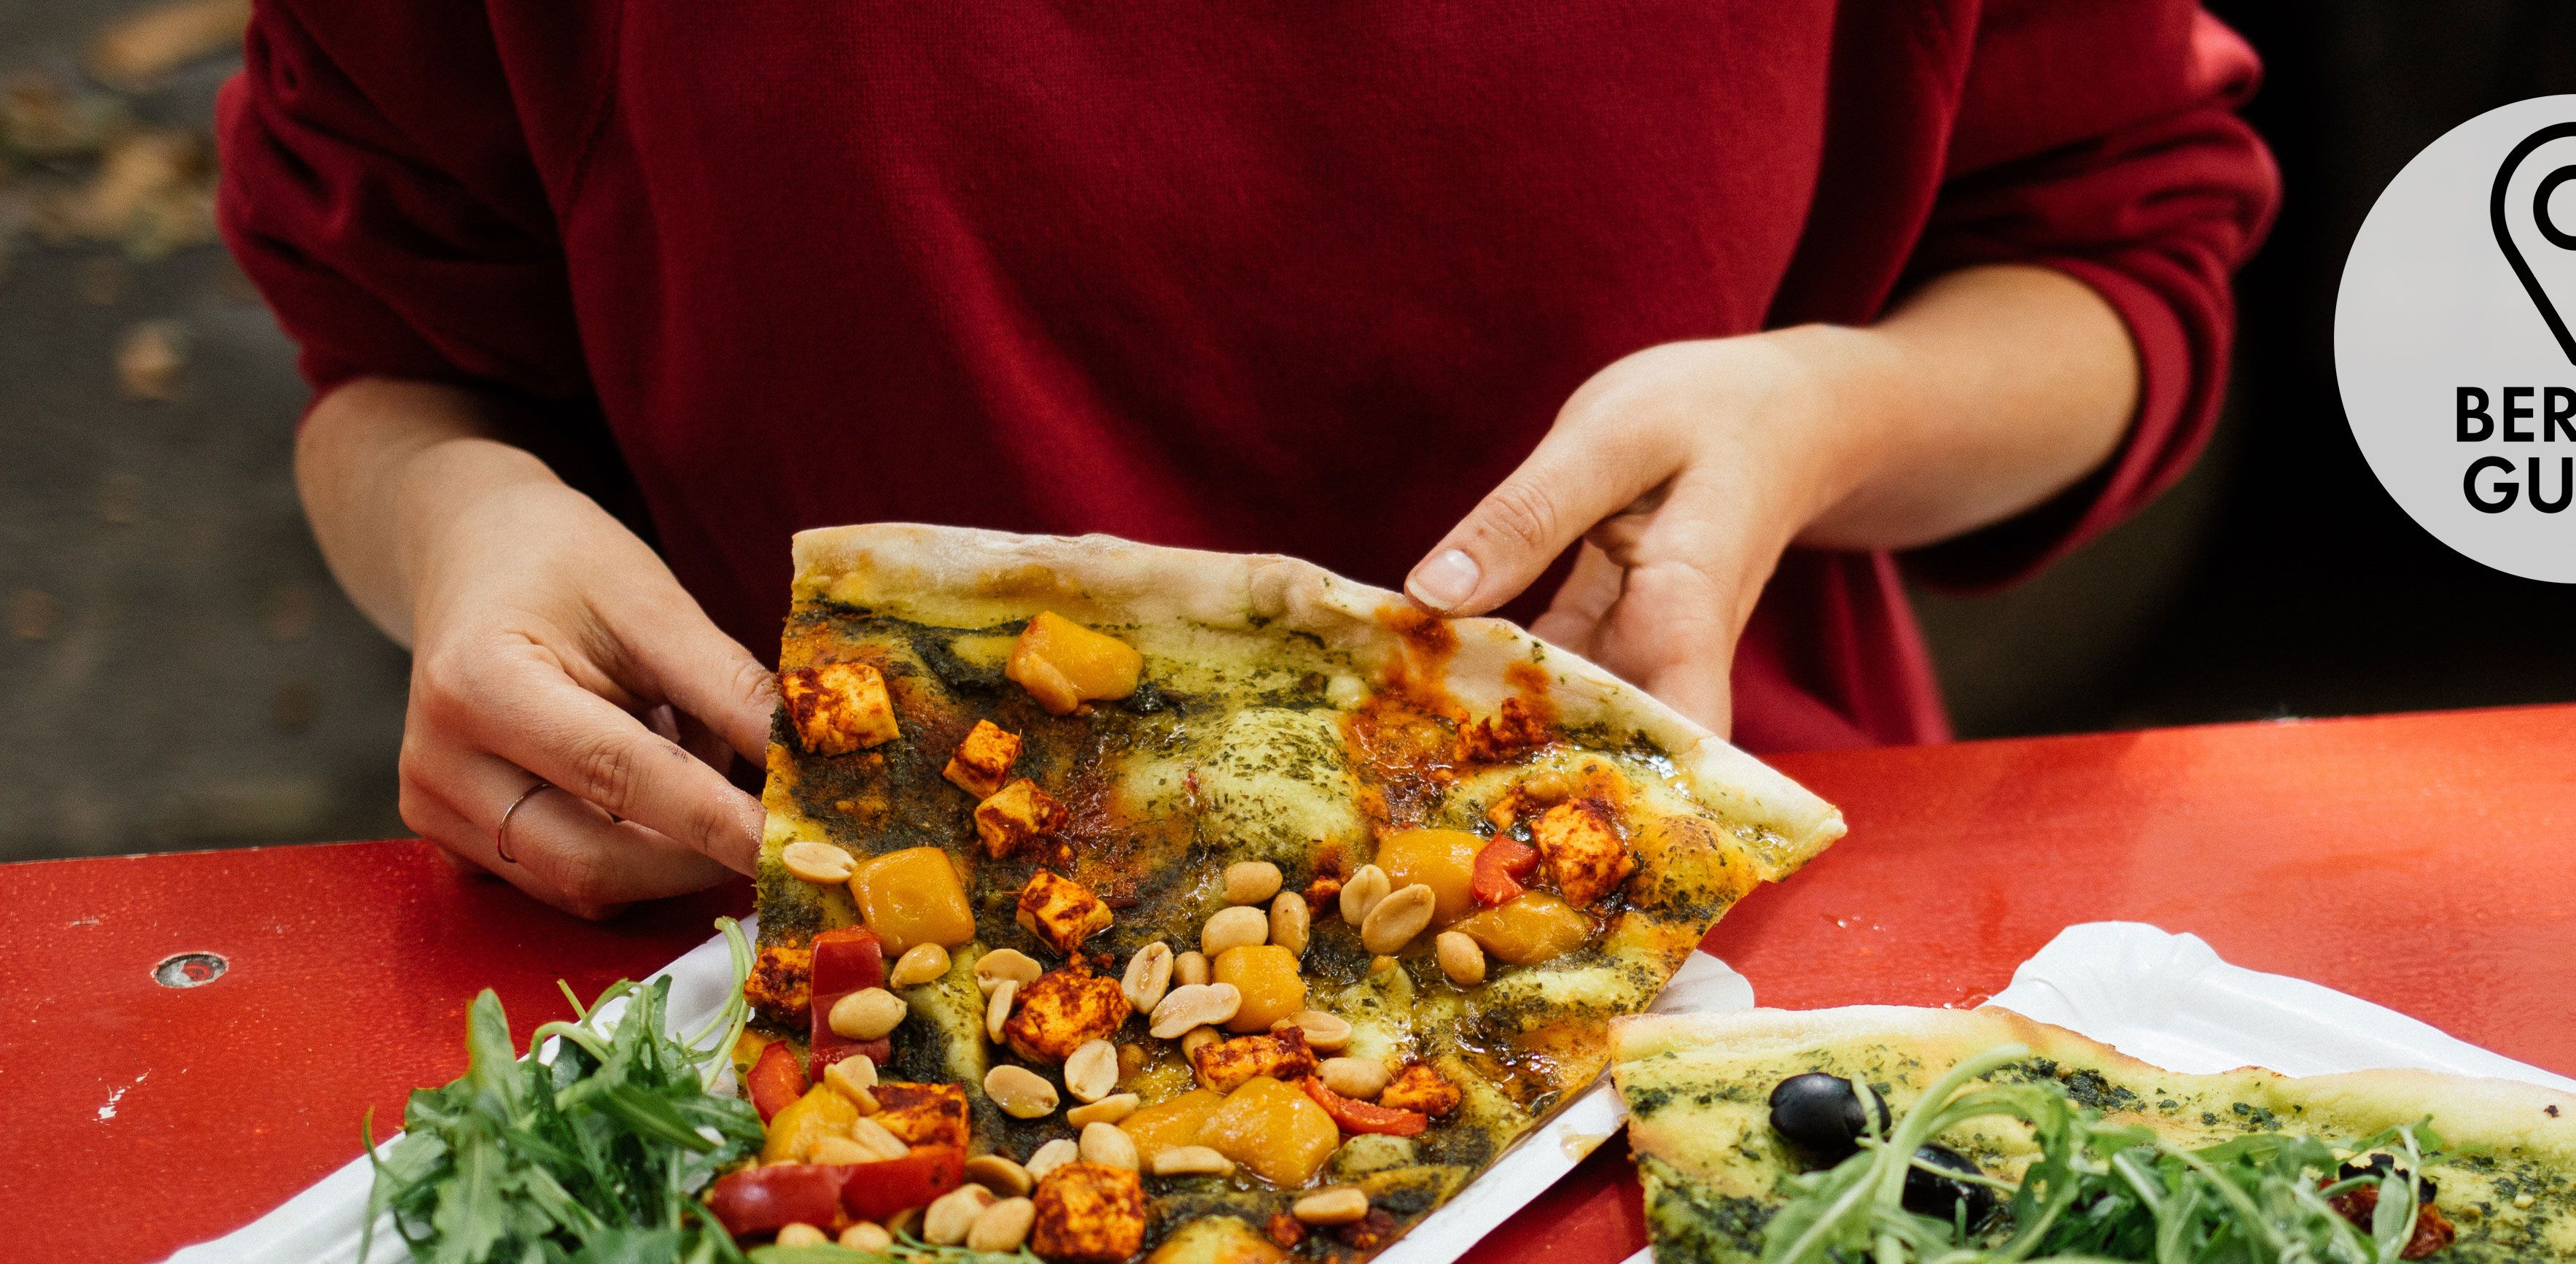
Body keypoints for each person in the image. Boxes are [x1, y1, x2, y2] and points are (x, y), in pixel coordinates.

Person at [221, 3, 2275, 918]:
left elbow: (2128, 257)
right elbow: (396, 367)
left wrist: (1819, 421)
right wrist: (460, 522)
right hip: (794, 1016)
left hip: (1680, 989)